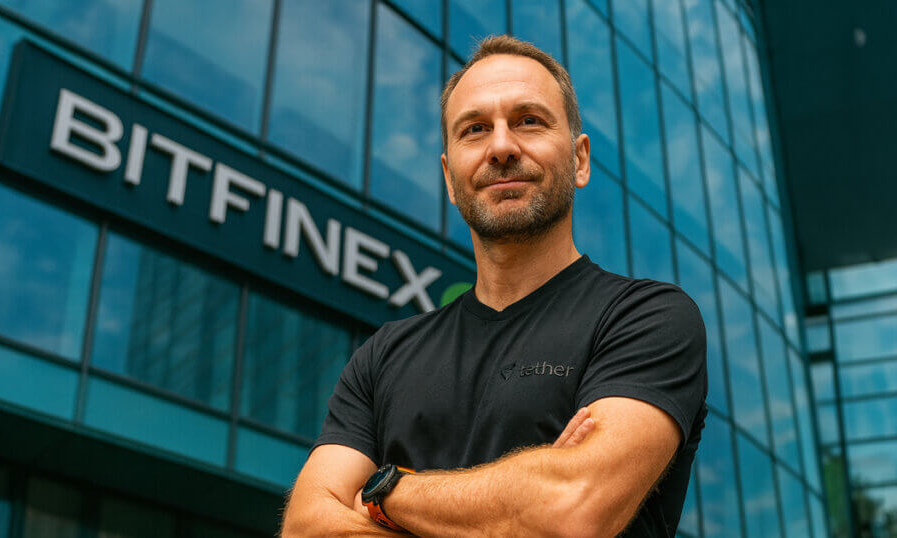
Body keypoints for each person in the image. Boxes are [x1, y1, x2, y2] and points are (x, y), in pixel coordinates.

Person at [281, 35, 707, 537]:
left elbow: (570, 510)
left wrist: (384, 492)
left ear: (580, 159)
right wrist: (521, 497)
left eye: (529, 120)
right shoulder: (383, 356)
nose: (502, 147)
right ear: (449, 177)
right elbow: (307, 526)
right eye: (475, 129)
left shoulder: (646, 317)